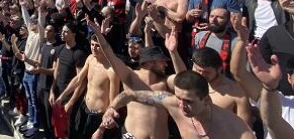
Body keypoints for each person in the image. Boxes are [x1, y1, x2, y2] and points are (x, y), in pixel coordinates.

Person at [102, 71, 255, 139]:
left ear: (206, 100)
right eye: (179, 98)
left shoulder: (235, 128)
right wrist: (111, 109)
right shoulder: (173, 103)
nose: (182, 105)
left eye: (189, 101)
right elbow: (131, 94)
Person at [54, 34, 120, 139]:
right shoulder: (90, 59)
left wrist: (101, 129)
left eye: (97, 45)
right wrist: (62, 96)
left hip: (98, 117)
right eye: (92, 44)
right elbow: (78, 79)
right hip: (84, 109)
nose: (93, 48)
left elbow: (113, 105)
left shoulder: (111, 71)